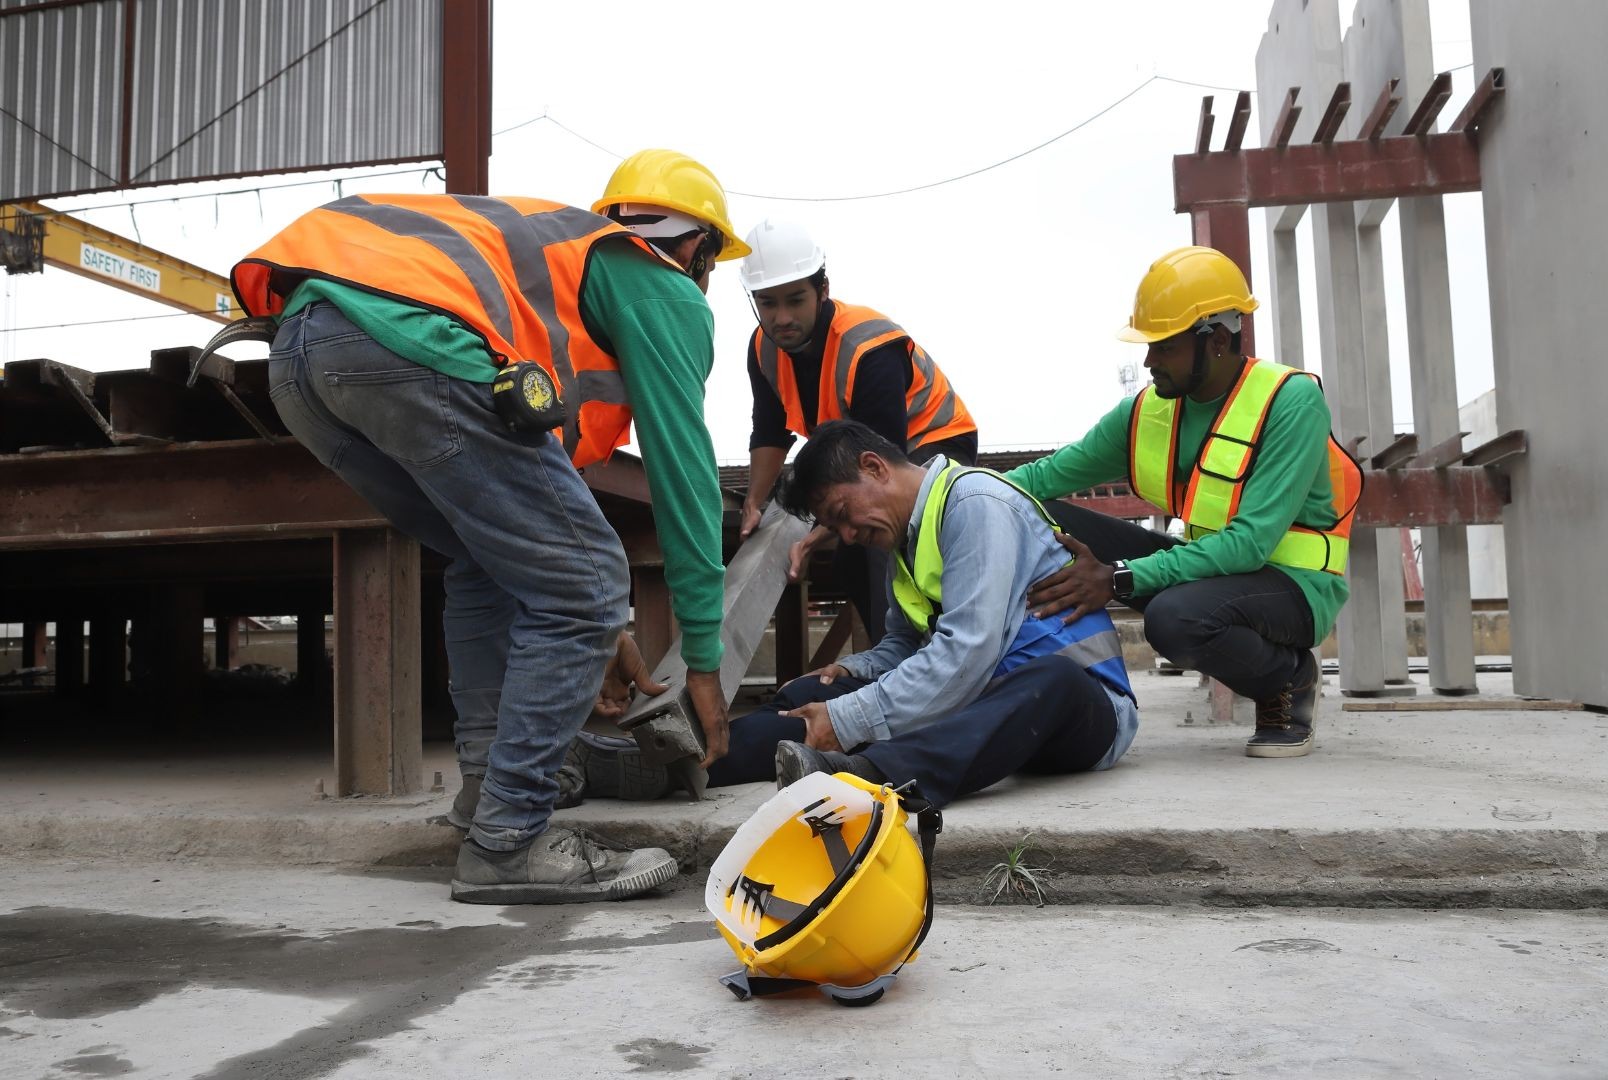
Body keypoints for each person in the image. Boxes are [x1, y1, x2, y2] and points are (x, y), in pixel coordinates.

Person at [235, 149, 749, 903]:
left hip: (303, 354)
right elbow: (685, 472)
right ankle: (511, 841)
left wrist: (603, 629)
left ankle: (487, 802)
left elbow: (531, 535)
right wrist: (702, 658)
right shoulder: (660, 283)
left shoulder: (558, 269)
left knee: (487, 563)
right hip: (404, 342)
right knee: (590, 582)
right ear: (699, 249)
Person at [1005, 246, 1361, 758]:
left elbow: (1250, 545)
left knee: (1173, 619)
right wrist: (946, 493)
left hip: (1292, 588)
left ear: (1216, 340)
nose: (1148, 361)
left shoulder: (1291, 402)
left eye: (1164, 347)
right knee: (1038, 514)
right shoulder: (1147, 412)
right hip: (1212, 573)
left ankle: (1288, 677)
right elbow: (1042, 478)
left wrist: (1118, 577)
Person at [704, 420, 1139, 808]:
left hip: (1082, 709)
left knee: (1053, 679)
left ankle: (869, 775)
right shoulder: (905, 541)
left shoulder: (977, 504)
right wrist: (852, 670)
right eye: (835, 530)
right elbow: (906, 646)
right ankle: (693, 760)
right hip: (979, 700)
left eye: (841, 515)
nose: (849, 536)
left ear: (875, 467)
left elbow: (968, 652)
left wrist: (850, 717)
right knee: (812, 695)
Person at [735, 218, 979, 643]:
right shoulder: (763, 349)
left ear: (823, 290)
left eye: (795, 300)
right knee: (850, 562)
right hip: (859, 456)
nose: (782, 317)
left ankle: (923, 660)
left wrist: (812, 539)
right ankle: (893, 657)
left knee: (879, 543)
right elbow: (770, 430)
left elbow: (879, 468)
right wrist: (755, 502)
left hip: (931, 444)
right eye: (767, 303)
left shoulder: (869, 345)